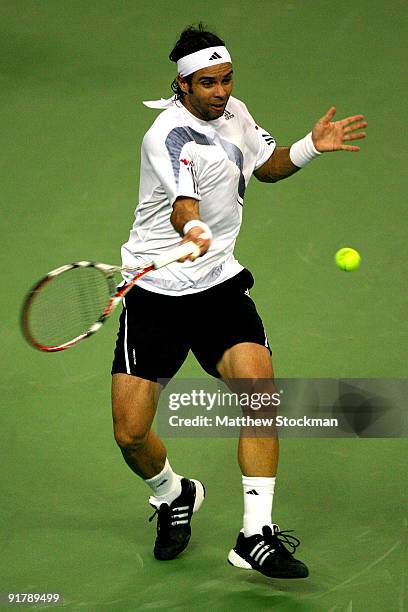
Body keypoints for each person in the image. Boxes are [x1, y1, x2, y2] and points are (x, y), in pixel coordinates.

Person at [111, 23, 367, 579]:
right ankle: (173, 493)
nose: (221, 91)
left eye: (227, 80)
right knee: (130, 435)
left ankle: (256, 535)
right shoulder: (166, 135)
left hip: (220, 286)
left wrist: (309, 148)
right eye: (208, 83)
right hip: (158, 291)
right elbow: (182, 204)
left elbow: (265, 167)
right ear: (182, 85)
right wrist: (195, 228)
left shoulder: (237, 114)